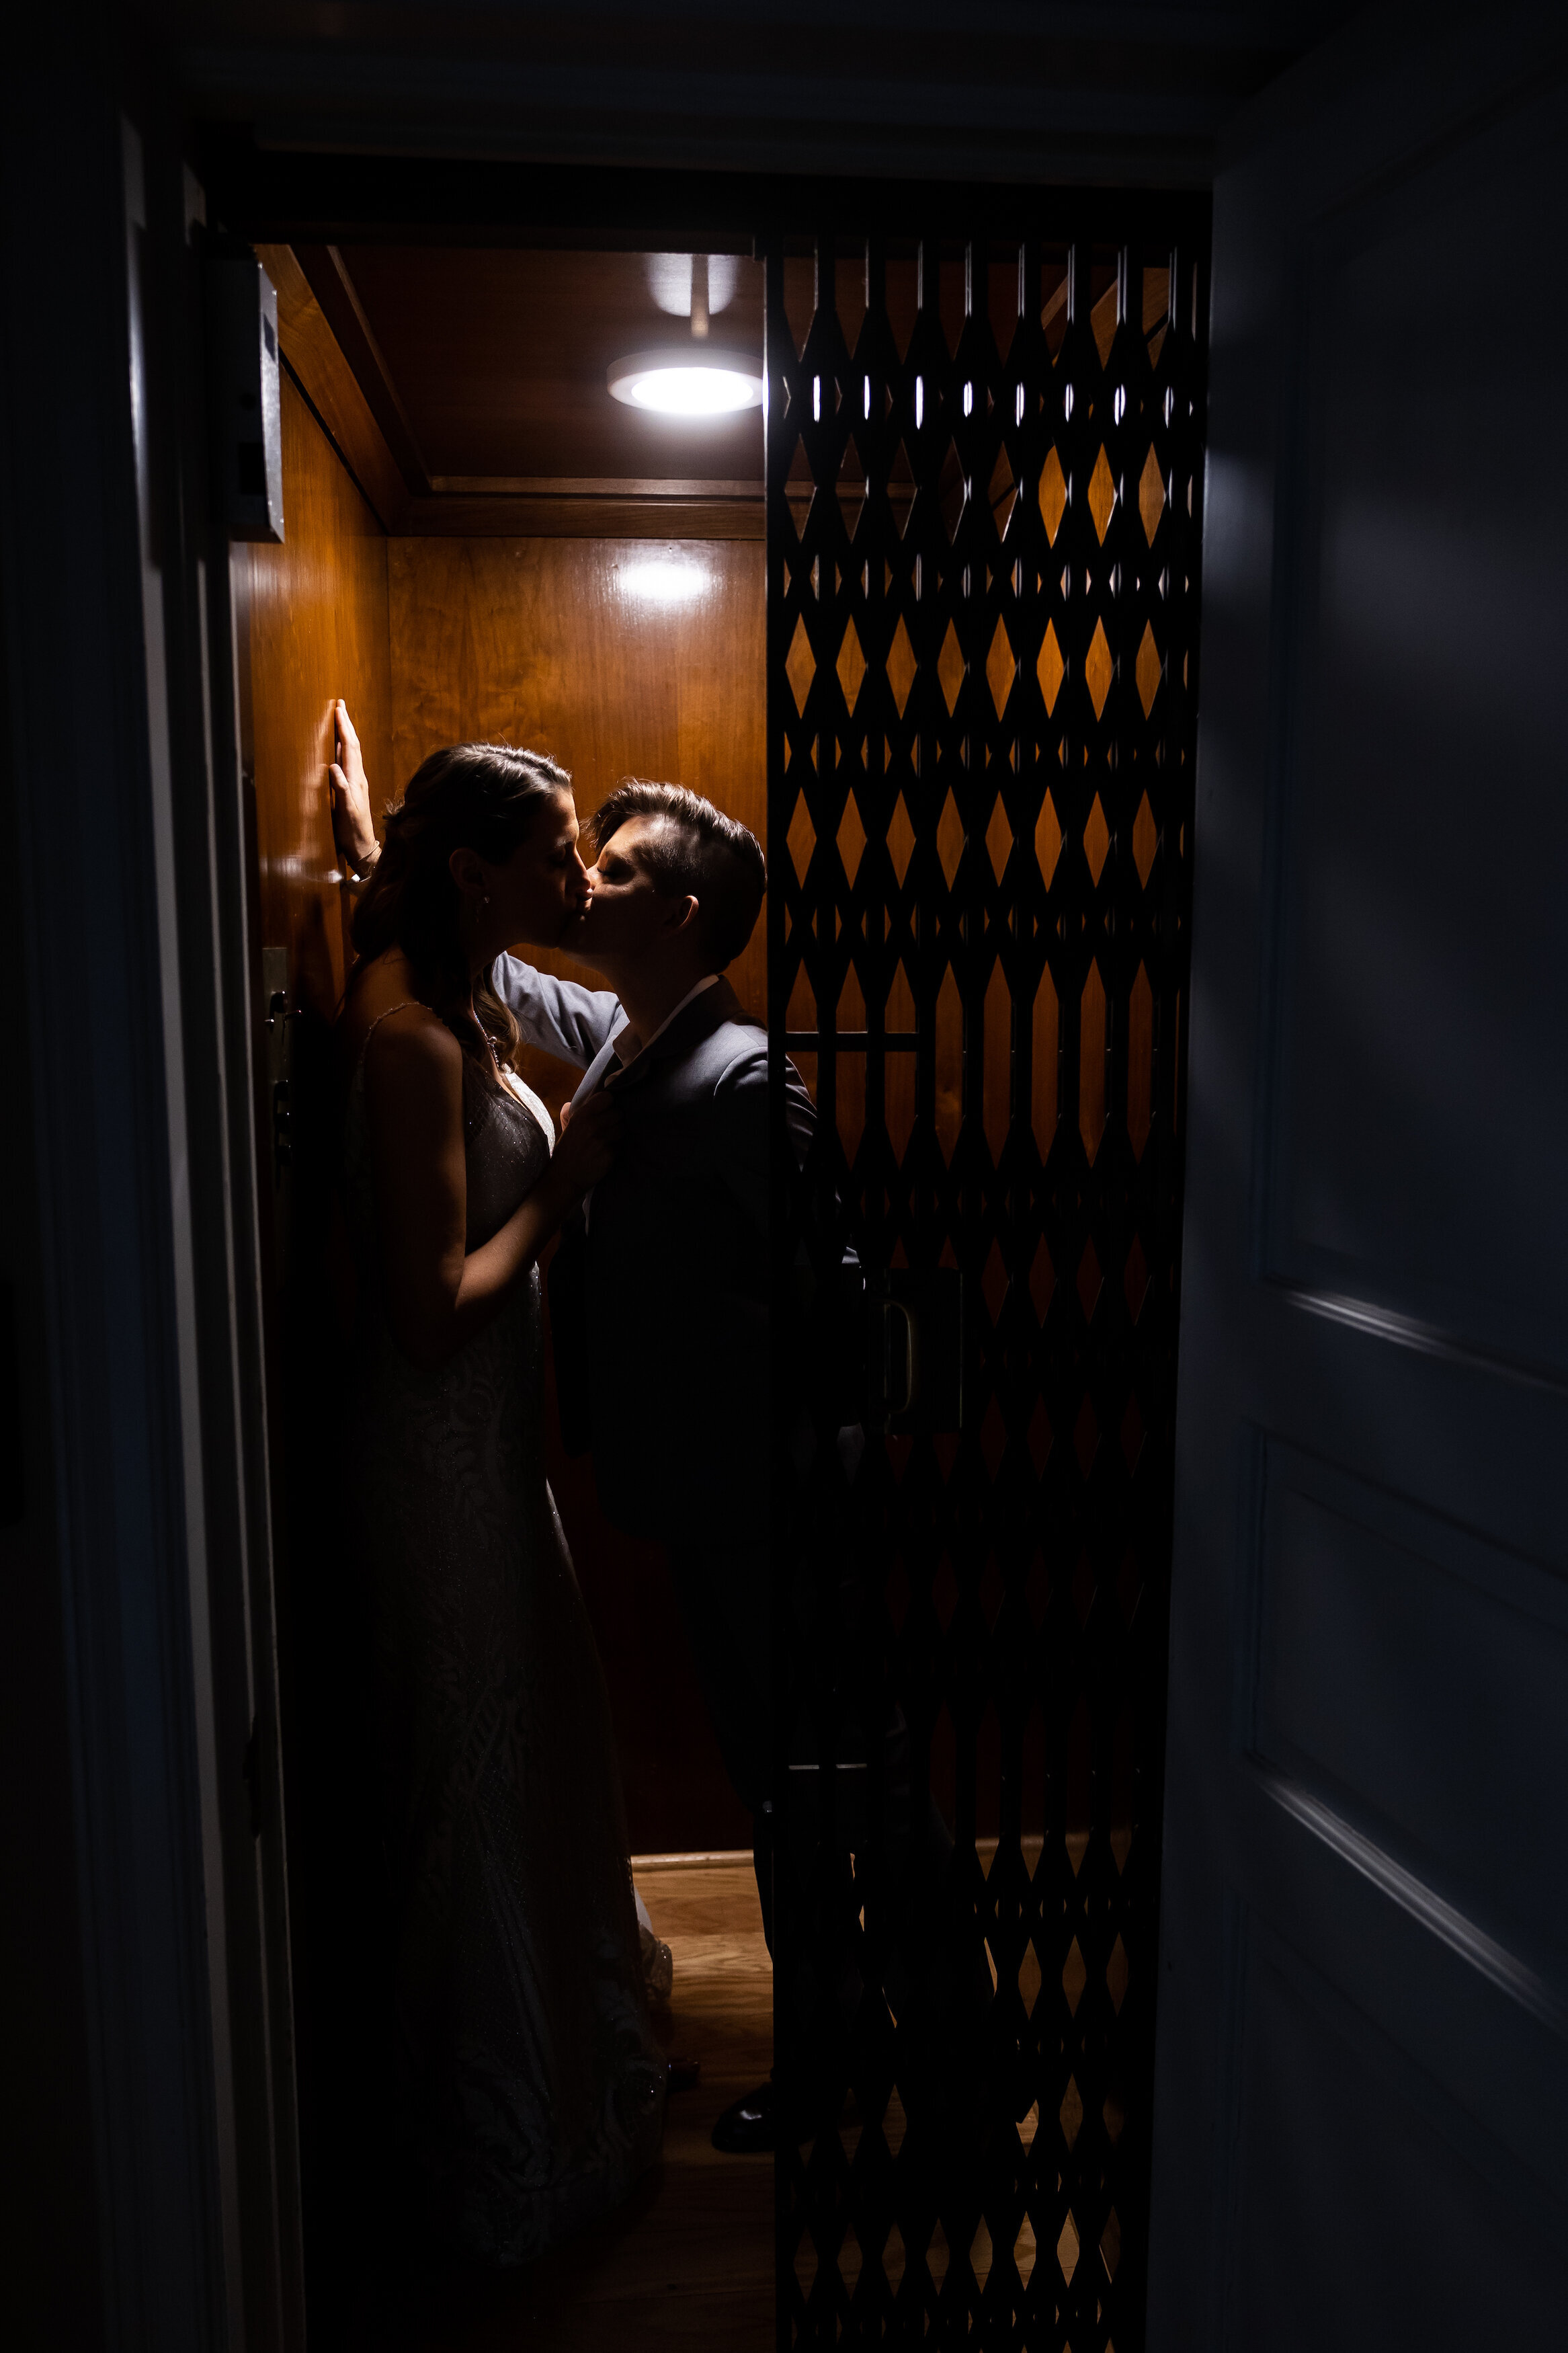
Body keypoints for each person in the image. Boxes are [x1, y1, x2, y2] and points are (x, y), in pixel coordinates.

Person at [329, 711, 813, 2151]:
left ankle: (882, 2053)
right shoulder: (598, 1028)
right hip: (569, 1465)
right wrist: (387, 853)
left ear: (671, 912)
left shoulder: (740, 1079)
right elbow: (501, 966)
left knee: (808, 1774)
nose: (578, 883)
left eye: (599, 868)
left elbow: (812, 1294)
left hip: (749, 1492)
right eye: (561, 860)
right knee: (732, 1768)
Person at [334, 732, 667, 2264]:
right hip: (440, 1461)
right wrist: (569, 1180)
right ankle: (492, 2154)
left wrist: (361, 836)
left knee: (522, 1752)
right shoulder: (412, 1043)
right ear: (478, 876)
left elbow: (389, 913)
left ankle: (555, 2083)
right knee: (465, 1787)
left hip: (490, 1456)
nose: (582, 876)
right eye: (557, 855)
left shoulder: (461, 995)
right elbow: (432, 1302)